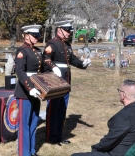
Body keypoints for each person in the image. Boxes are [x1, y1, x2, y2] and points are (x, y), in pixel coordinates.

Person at [71, 80, 135, 156]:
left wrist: (95, 148)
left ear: (123, 95)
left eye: (119, 90)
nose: (119, 93)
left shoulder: (124, 117)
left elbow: (108, 142)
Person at [43, 20, 91, 145]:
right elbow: (46, 58)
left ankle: (59, 135)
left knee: (61, 110)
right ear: (59, 30)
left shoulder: (67, 45)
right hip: (55, 82)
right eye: (67, 30)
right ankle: (51, 137)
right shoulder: (52, 43)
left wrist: (82, 64)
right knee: (53, 110)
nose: (69, 33)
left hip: (66, 81)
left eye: (70, 31)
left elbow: (72, 60)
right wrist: (53, 67)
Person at [14, 24, 44, 156]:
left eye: (38, 35)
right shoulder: (22, 51)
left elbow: (42, 70)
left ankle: (32, 150)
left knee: (33, 121)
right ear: (26, 36)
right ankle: (23, 152)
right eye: (34, 36)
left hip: (36, 91)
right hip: (25, 91)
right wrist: (30, 87)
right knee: (24, 124)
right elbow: (20, 71)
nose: (37, 38)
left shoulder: (37, 51)